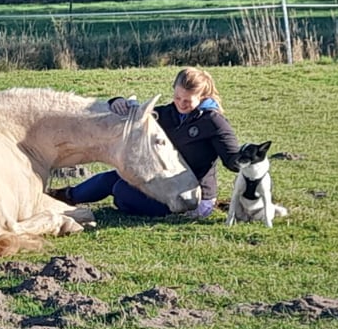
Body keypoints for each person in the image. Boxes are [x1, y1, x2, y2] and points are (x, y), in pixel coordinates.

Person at [49, 67, 242, 218]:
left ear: (203, 97)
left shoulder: (213, 121)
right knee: (112, 178)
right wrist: (116, 101)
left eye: (188, 100)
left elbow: (233, 159)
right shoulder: (168, 113)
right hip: (166, 183)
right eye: (177, 97)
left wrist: (248, 161)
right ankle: (63, 197)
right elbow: (137, 114)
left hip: (191, 196)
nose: (181, 103)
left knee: (121, 190)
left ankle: (129, 205)